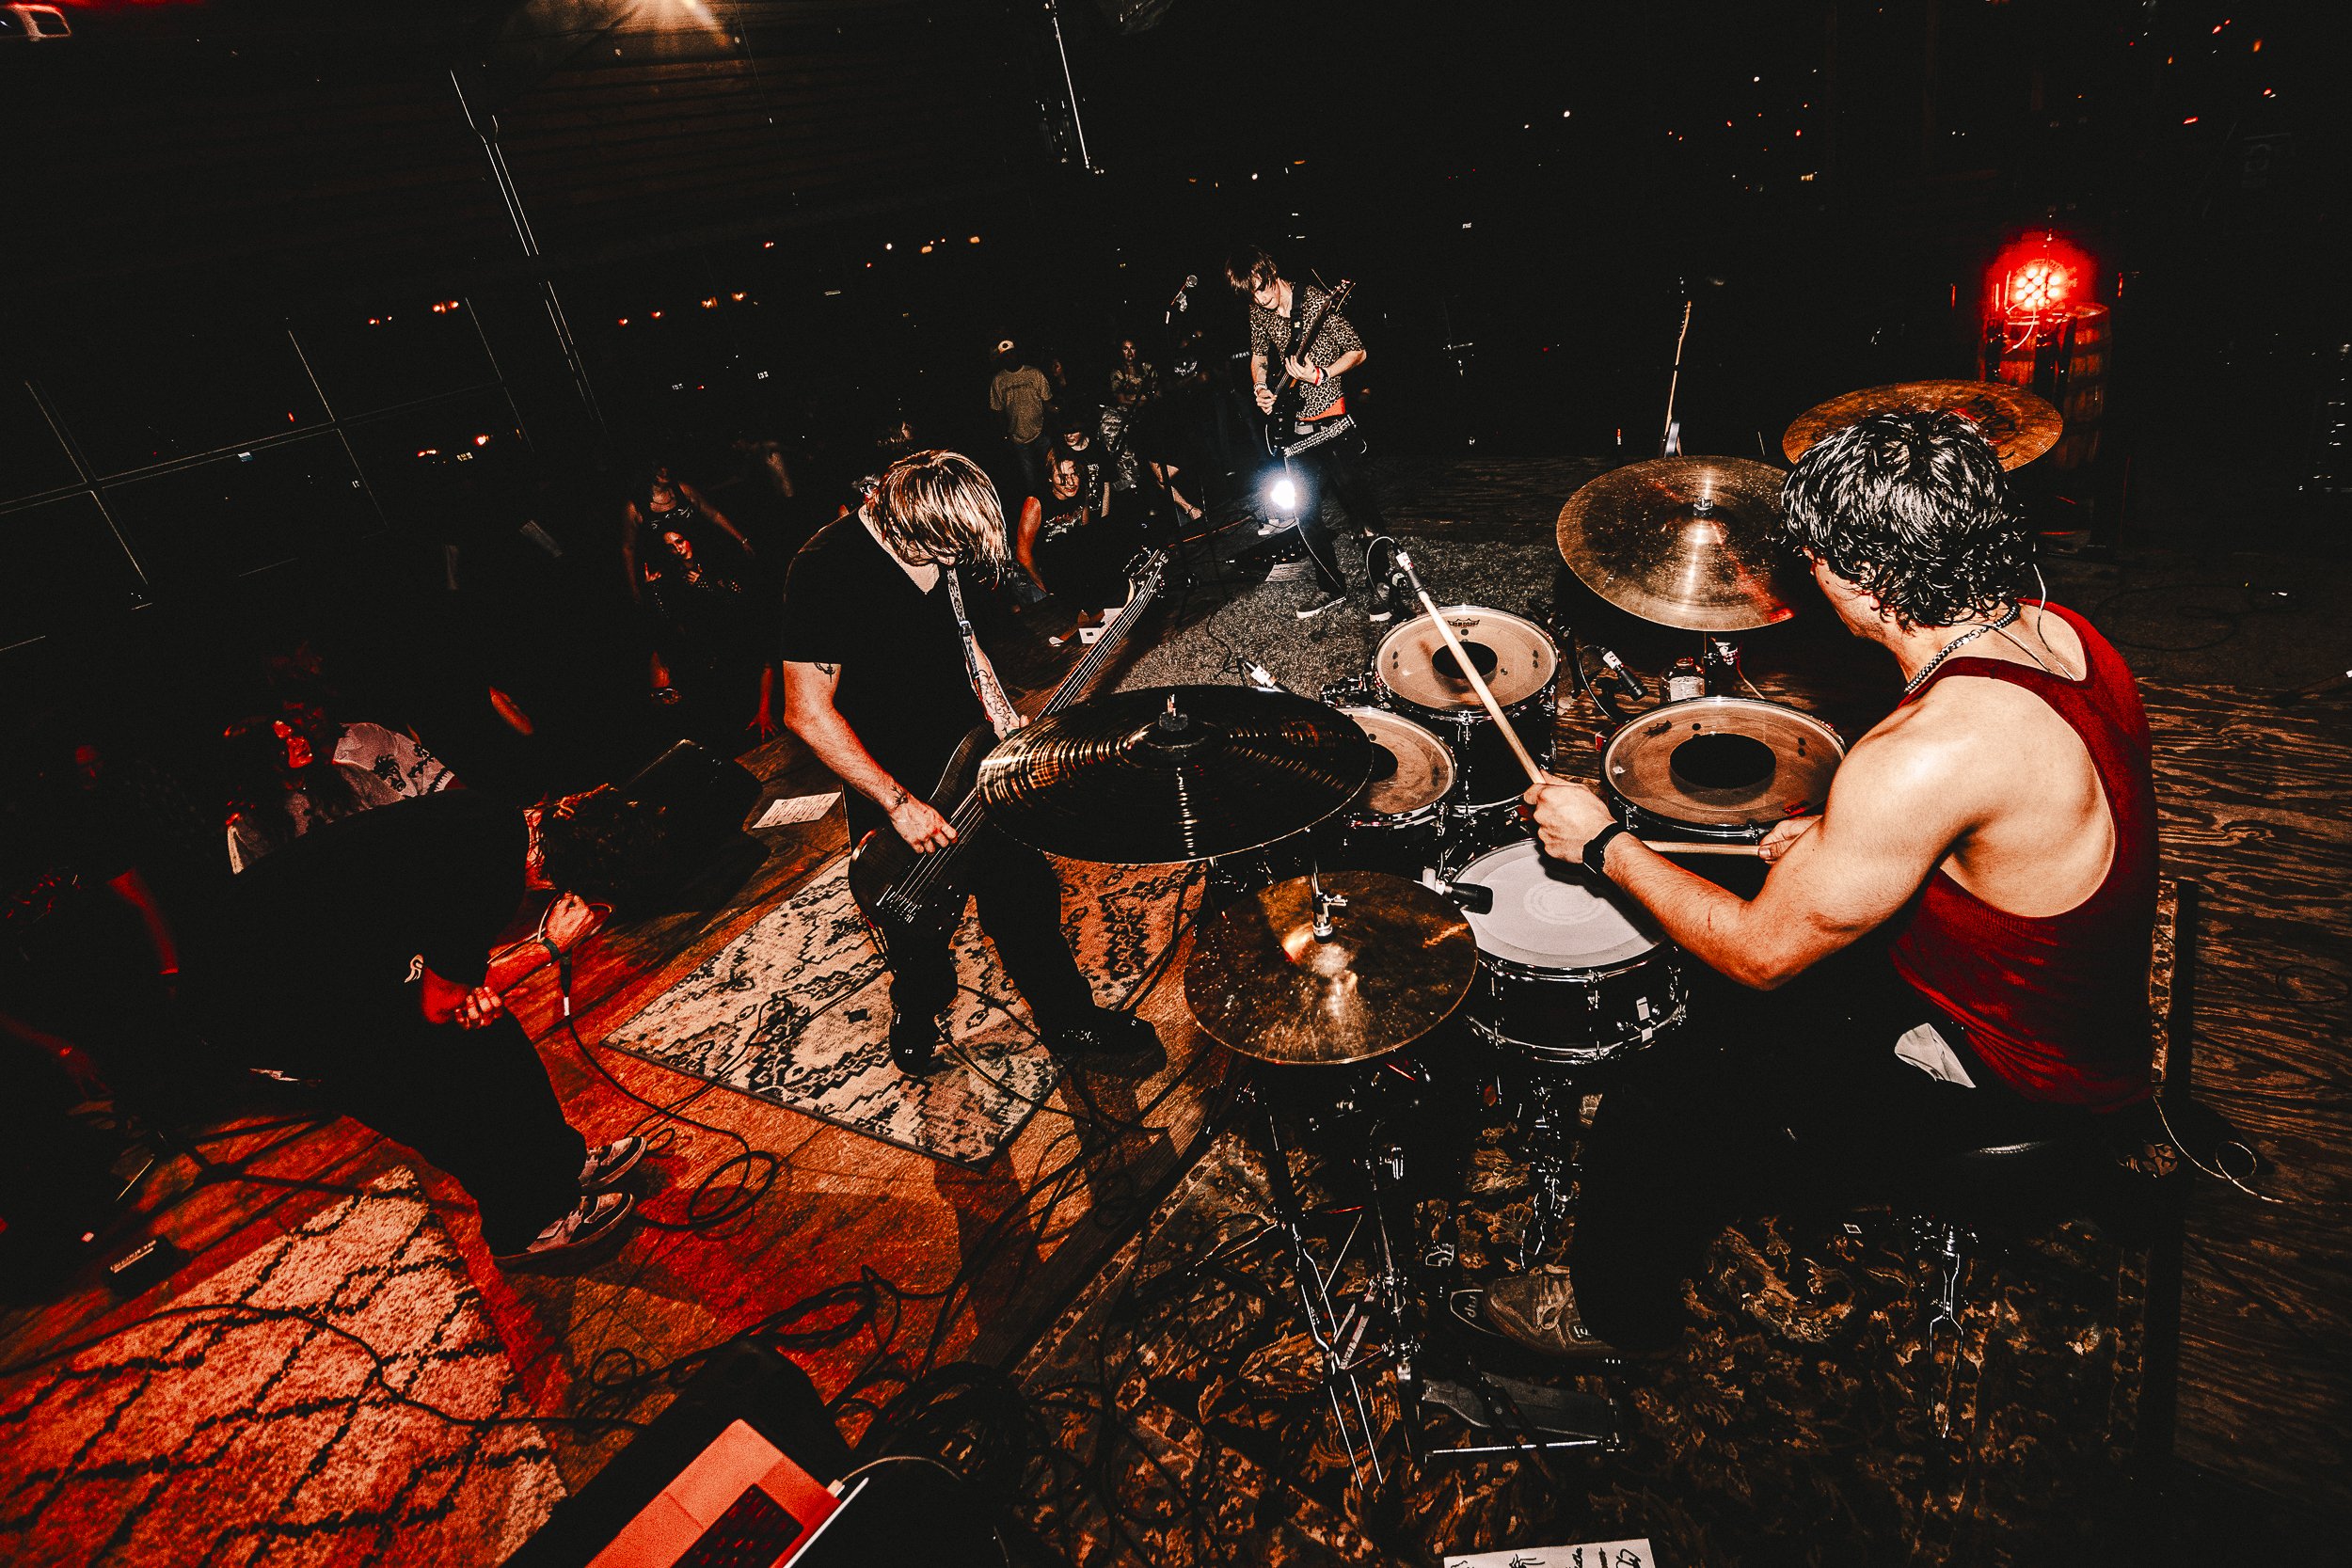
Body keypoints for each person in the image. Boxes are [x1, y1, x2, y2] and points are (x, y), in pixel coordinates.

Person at [1502, 411, 2159, 1357]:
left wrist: (1601, 841)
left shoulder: (1924, 752)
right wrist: (1841, 832)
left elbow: (1760, 954)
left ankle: (1614, 1318)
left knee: (1658, 1098)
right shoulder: (2063, 633)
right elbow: (1993, 816)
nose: (1805, 576)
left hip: (2006, 1068)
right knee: (1729, 954)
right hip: (2075, 1011)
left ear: (1867, 579)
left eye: (1812, 560)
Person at [777, 450, 1157, 1076]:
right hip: (891, 779)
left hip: (972, 758)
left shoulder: (940, 547)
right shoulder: (824, 568)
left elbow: (963, 639)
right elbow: (806, 711)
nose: (953, 562)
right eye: (943, 550)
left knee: (1026, 897)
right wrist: (898, 805)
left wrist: (1004, 722)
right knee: (917, 928)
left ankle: (1069, 1020)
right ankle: (916, 1005)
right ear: (902, 522)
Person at [178, 788, 652, 1266]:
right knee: (436, 1096)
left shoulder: (491, 817)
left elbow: (437, 952)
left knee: (493, 1036)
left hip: (315, 955)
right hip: (261, 1002)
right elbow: (439, 1007)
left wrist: (465, 985)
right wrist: (548, 947)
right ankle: (526, 1225)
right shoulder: (484, 879)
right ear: (555, 878)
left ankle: (560, 1165)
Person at [1228, 245, 1391, 619]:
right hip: (1294, 425)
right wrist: (1260, 387)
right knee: (1304, 512)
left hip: (1332, 421)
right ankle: (1331, 587)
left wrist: (1322, 374)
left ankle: (1382, 583)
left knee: (1359, 509)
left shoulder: (1316, 301)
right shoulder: (1258, 311)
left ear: (1271, 271)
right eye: (1251, 294)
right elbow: (1259, 357)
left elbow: (1358, 351)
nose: (1260, 298)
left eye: (1262, 287)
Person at [220, 707, 459, 873]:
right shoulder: (247, 825)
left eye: (295, 734)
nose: (299, 742)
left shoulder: (347, 775)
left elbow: (402, 822)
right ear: (260, 758)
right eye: (283, 743)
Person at [1014, 451, 1139, 646]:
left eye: (1074, 474)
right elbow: (1023, 555)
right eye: (1062, 477)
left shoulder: (1080, 490)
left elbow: (1083, 535)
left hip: (1060, 566)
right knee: (1043, 635)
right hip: (1031, 574)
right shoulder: (1035, 502)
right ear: (1049, 478)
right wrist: (1045, 587)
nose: (1070, 482)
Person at [987, 341, 1053, 506]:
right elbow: (997, 410)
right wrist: (1004, 436)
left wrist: (1052, 425)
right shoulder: (998, 380)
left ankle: (1053, 503)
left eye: (1012, 353)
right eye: (1006, 355)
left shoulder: (1034, 373)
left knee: (1050, 472)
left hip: (1041, 433)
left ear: (1018, 353)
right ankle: (1036, 507)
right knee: (1030, 479)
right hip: (1018, 438)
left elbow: (1047, 402)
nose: (1010, 357)